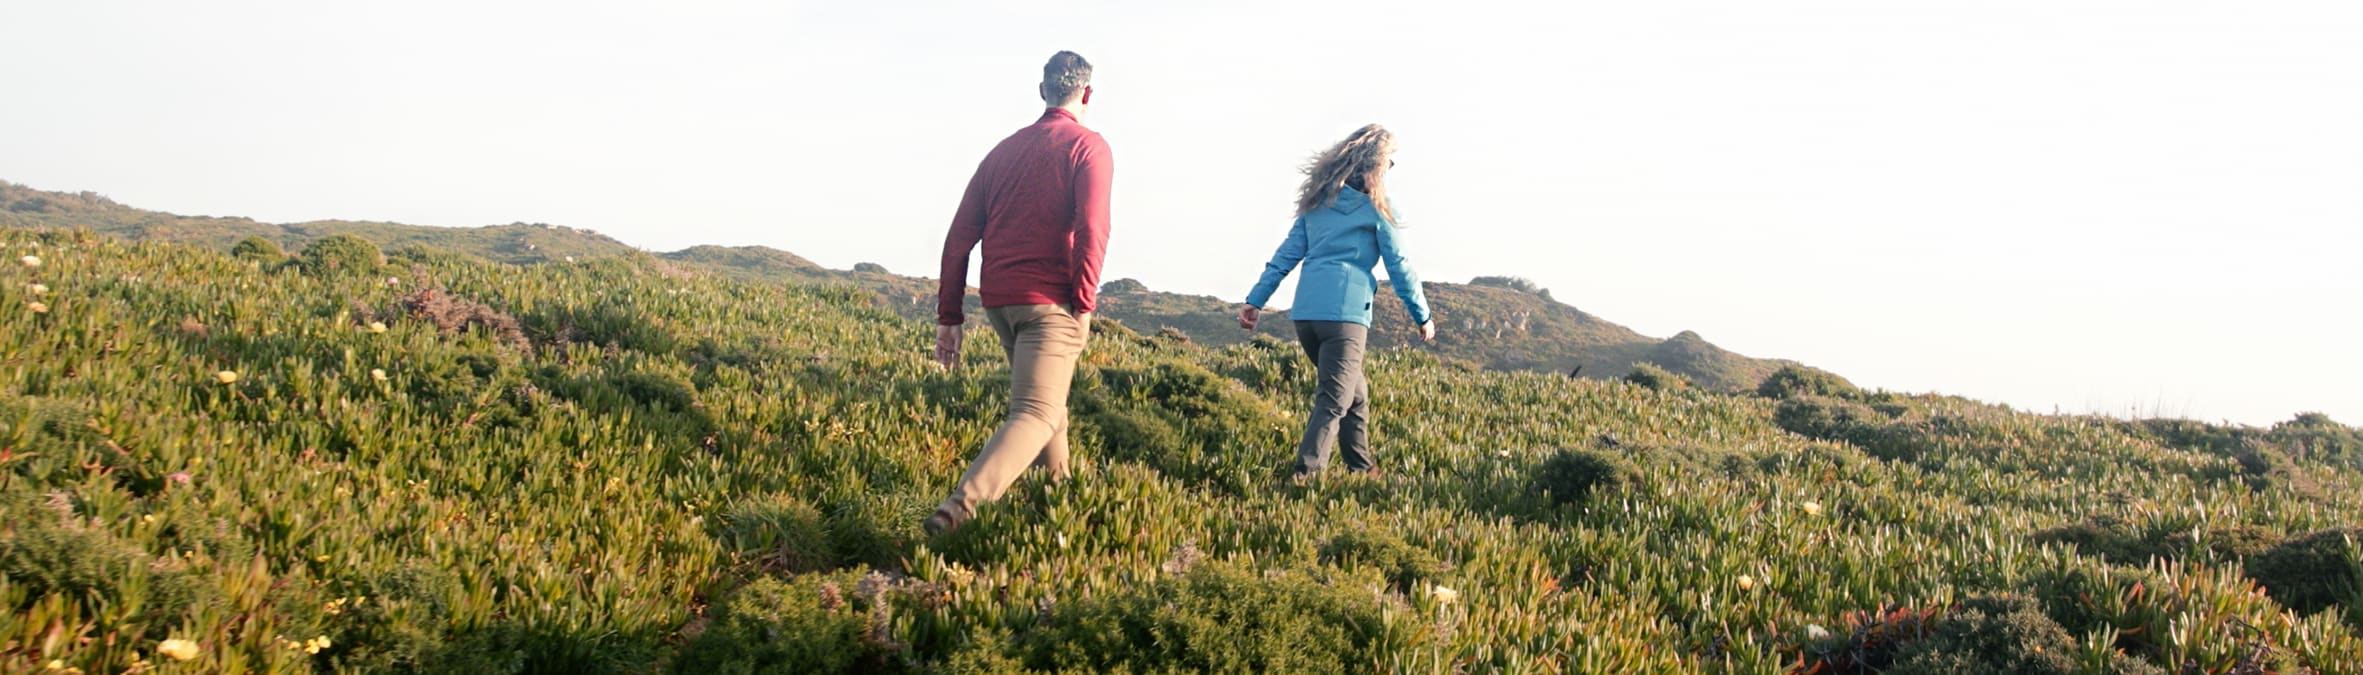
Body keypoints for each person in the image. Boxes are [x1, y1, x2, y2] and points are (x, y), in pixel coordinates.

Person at [924, 51, 1114, 537]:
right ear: (1086, 93)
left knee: (1051, 409)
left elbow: (957, 240)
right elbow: (1094, 231)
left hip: (1000, 302)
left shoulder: (1001, 153)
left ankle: (1059, 515)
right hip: (1050, 304)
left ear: (1042, 91)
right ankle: (954, 515)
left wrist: (950, 317)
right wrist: (1085, 304)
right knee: (1034, 412)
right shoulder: (1088, 147)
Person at [1238, 124, 1433, 480]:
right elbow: (1400, 267)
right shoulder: (1380, 209)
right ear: (1377, 166)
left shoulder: (1317, 205)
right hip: (1346, 317)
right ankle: (1305, 476)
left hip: (1308, 316)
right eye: (1390, 164)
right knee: (1334, 399)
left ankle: (1362, 469)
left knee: (1355, 393)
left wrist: (1256, 300)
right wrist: (1422, 315)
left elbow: (1285, 257)